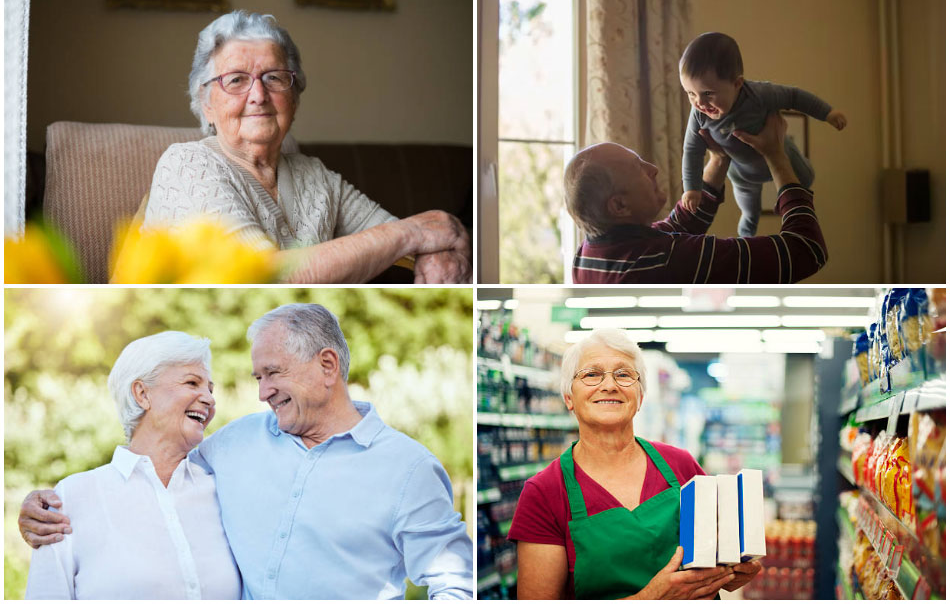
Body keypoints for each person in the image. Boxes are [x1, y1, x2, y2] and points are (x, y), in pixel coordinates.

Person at [20, 304, 473, 600]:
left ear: (327, 365)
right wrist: (37, 507)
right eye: (258, 378)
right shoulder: (233, 446)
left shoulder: (408, 468)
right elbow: (151, 470)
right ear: (141, 393)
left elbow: (456, 584)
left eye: (272, 373)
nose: (263, 393)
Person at [144, 10, 471, 284]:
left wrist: (439, 245)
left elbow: (401, 240)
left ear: (294, 98)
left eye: (273, 77)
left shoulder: (314, 175)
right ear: (206, 104)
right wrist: (417, 231)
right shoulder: (187, 165)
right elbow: (263, 279)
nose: (258, 95)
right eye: (236, 80)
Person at [507, 329, 762, 599]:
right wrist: (649, 598)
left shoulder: (682, 466)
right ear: (568, 397)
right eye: (591, 374)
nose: (609, 385)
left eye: (624, 374)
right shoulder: (545, 492)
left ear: (640, 397)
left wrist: (735, 570)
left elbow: (723, 552)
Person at [24, 332, 241, 599]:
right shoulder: (70, 498)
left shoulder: (224, 490)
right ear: (142, 394)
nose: (209, 398)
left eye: (210, 388)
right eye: (192, 383)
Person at [565, 111, 828, 283]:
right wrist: (777, 156)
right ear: (619, 205)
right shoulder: (669, 260)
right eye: (639, 168)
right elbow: (806, 250)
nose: (653, 170)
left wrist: (719, 159)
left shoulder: (589, 254)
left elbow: (675, 227)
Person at [679, 31, 847, 237]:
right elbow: (692, 150)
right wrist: (692, 188)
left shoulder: (758, 95)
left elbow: (794, 97)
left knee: (806, 178)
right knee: (749, 212)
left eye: (708, 94)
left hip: (781, 152)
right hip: (742, 174)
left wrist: (827, 113)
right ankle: (746, 239)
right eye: (690, 93)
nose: (699, 103)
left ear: (737, 84)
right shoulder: (699, 115)